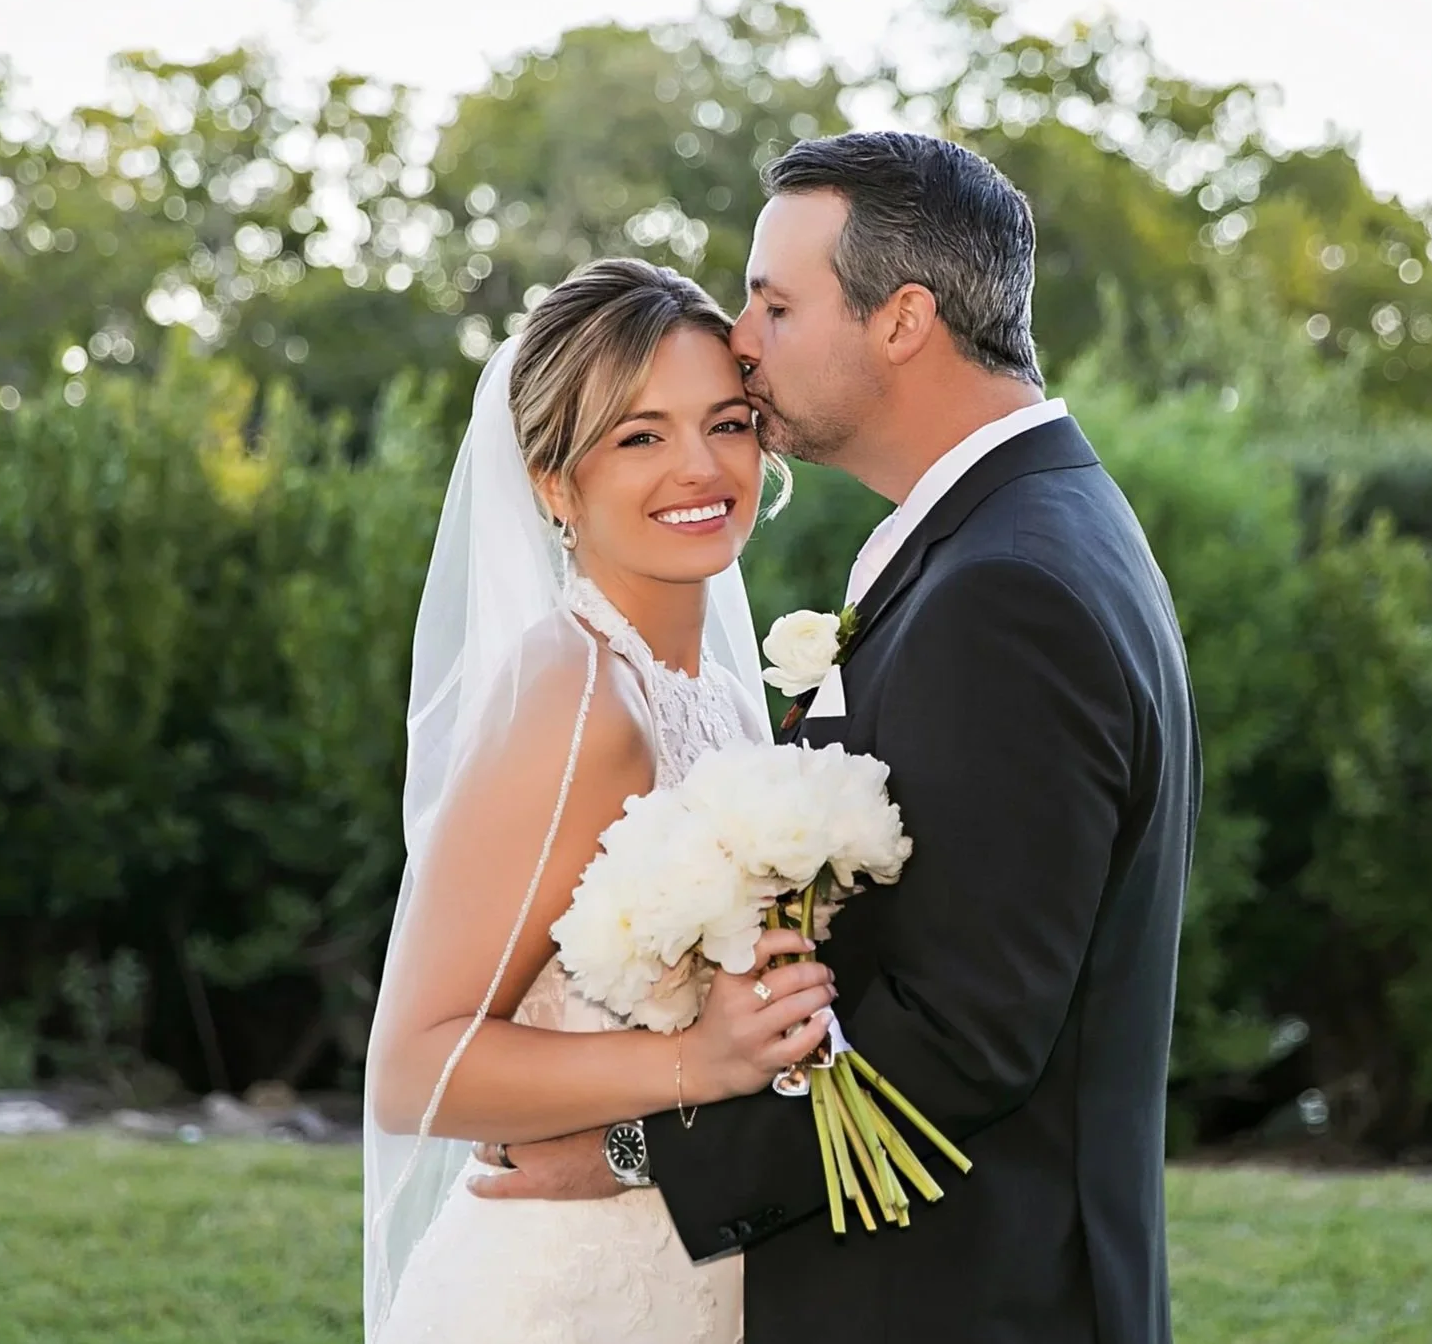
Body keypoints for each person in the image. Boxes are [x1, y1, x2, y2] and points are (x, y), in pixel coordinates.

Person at [476, 134, 1201, 1344]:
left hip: (962, 1302)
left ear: (903, 319)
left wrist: (633, 1151)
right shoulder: (1039, 529)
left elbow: (963, 1041)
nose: (743, 337)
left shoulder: (1002, 589)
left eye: (775, 301)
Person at [364, 258, 836, 1343]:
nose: (699, 467)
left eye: (727, 423)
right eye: (639, 436)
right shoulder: (576, 697)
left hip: (694, 1270)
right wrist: (690, 1065)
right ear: (552, 482)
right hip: (563, 1302)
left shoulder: (709, 693)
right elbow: (416, 1073)